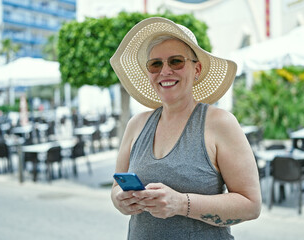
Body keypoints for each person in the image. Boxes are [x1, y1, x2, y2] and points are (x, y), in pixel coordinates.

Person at [110, 17, 261, 239]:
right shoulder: (137, 124)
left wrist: (181, 204)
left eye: (176, 61)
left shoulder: (219, 123)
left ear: (197, 69)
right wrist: (120, 201)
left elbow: (251, 204)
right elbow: (116, 187)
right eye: (155, 64)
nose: (165, 71)